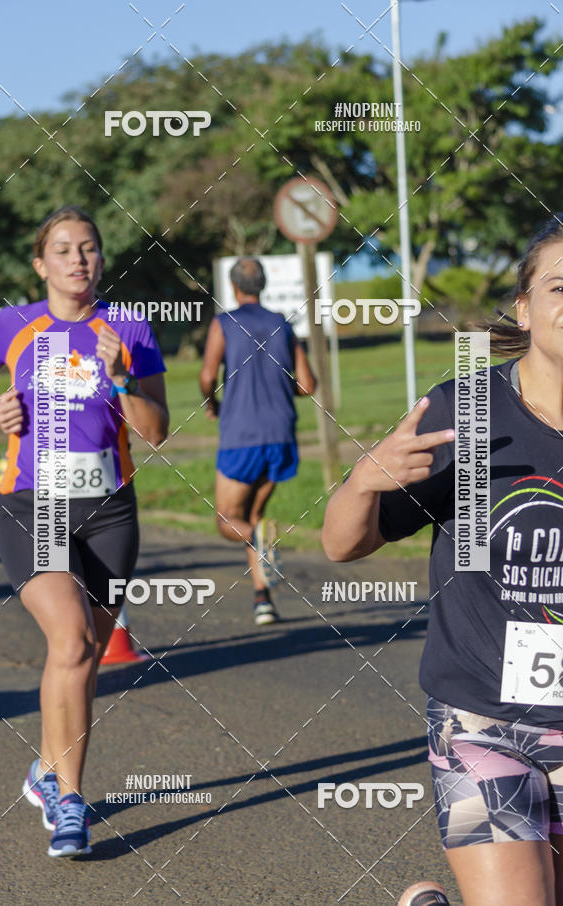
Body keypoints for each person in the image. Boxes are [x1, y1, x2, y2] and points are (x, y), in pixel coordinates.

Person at [322, 214, 563, 906]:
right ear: (525, 307)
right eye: (558, 286)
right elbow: (343, 543)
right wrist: (365, 479)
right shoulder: (469, 413)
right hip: (483, 721)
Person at [0, 205, 169, 858]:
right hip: (36, 501)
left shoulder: (129, 328)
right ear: (40, 264)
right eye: (62, 249)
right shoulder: (13, 326)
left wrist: (122, 375)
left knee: (81, 660)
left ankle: (46, 774)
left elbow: (155, 431)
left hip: (109, 508)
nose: (77, 259)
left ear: (101, 259)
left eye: (88, 248)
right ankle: (71, 803)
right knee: (73, 638)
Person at [199, 257, 316, 625]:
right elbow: (307, 386)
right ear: (262, 285)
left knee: (226, 520)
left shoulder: (224, 323)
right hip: (281, 434)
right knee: (255, 516)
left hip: (241, 435)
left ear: (234, 287)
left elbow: (206, 375)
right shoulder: (282, 324)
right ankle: (263, 599)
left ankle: (260, 542)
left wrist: (212, 402)